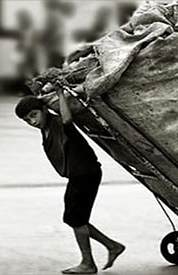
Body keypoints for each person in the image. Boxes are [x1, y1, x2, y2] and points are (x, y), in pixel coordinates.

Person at [14, 83, 125, 274]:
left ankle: (88, 263)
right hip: (77, 176)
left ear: (43, 110)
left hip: (86, 174)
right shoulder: (45, 127)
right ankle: (112, 245)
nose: (32, 121)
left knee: (76, 219)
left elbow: (67, 119)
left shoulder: (57, 124)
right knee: (73, 218)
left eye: (34, 115)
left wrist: (60, 94)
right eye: (27, 120)